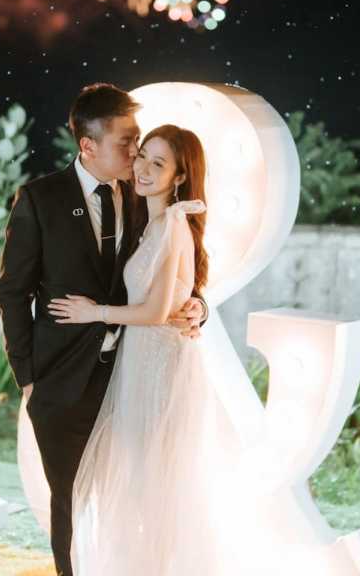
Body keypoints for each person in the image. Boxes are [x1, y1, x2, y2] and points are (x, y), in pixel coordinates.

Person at [0, 84, 206, 576]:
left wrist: (198, 305)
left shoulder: (145, 194)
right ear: (88, 145)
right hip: (62, 383)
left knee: (137, 501)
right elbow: (12, 296)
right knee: (68, 503)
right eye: (126, 143)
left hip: (133, 380)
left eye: (139, 142)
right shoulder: (40, 199)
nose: (135, 155)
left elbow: (178, 271)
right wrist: (29, 378)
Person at [48, 124, 219, 576]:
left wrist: (94, 312)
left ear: (180, 177)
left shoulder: (173, 225)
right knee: (137, 481)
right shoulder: (146, 217)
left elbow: (160, 309)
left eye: (158, 163)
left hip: (160, 366)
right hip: (136, 362)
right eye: (142, 155)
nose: (142, 167)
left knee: (154, 485)